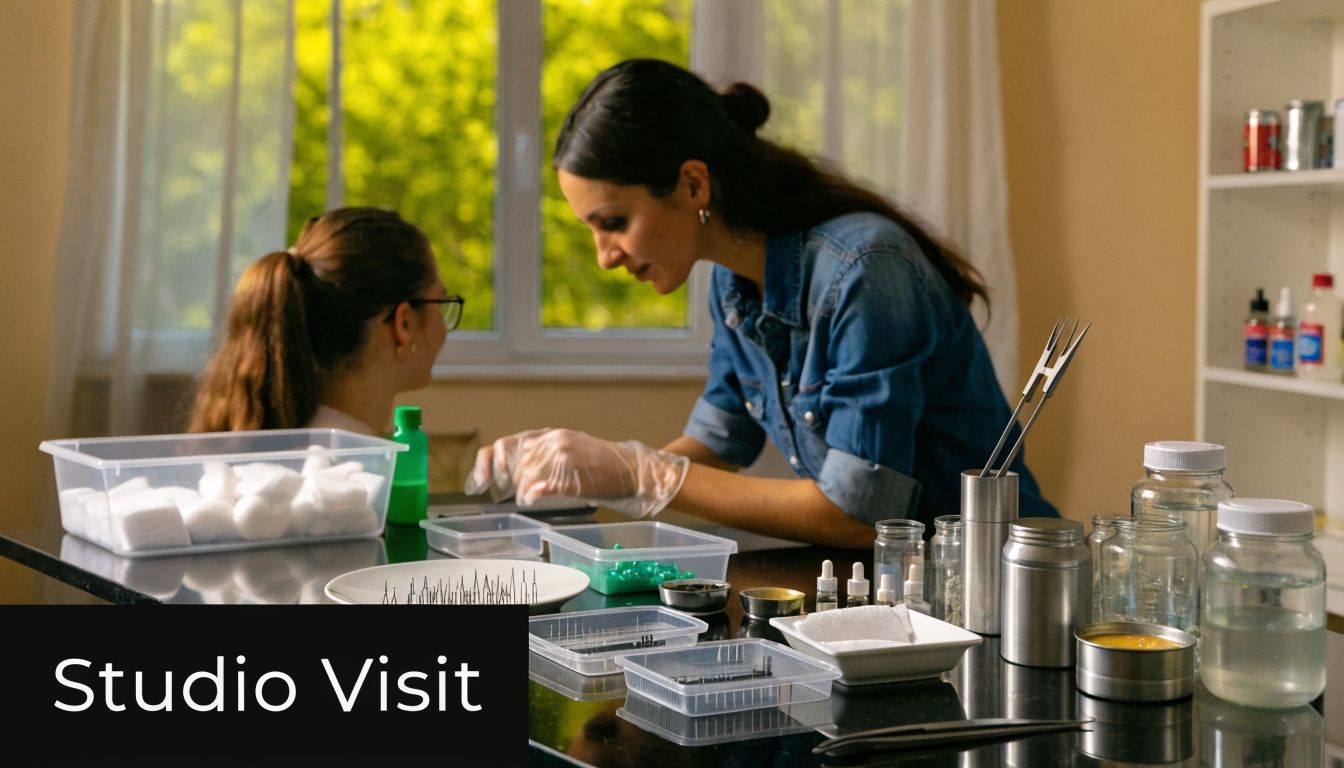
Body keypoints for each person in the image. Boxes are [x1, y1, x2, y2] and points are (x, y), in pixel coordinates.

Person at [466, 59, 1056, 548]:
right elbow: (719, 445)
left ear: (694, 185)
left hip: (995, 585)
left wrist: (636, 472)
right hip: (900, 587)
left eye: (614, 223)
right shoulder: (734, 284)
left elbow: (858, 514)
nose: (605, 257)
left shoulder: (866, 271)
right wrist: (585, 477)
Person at [187, 206, 461, 435]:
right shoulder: (353, 480)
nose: (443, 324)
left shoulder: (271, 445)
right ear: (405, 324)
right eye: (440, 303)